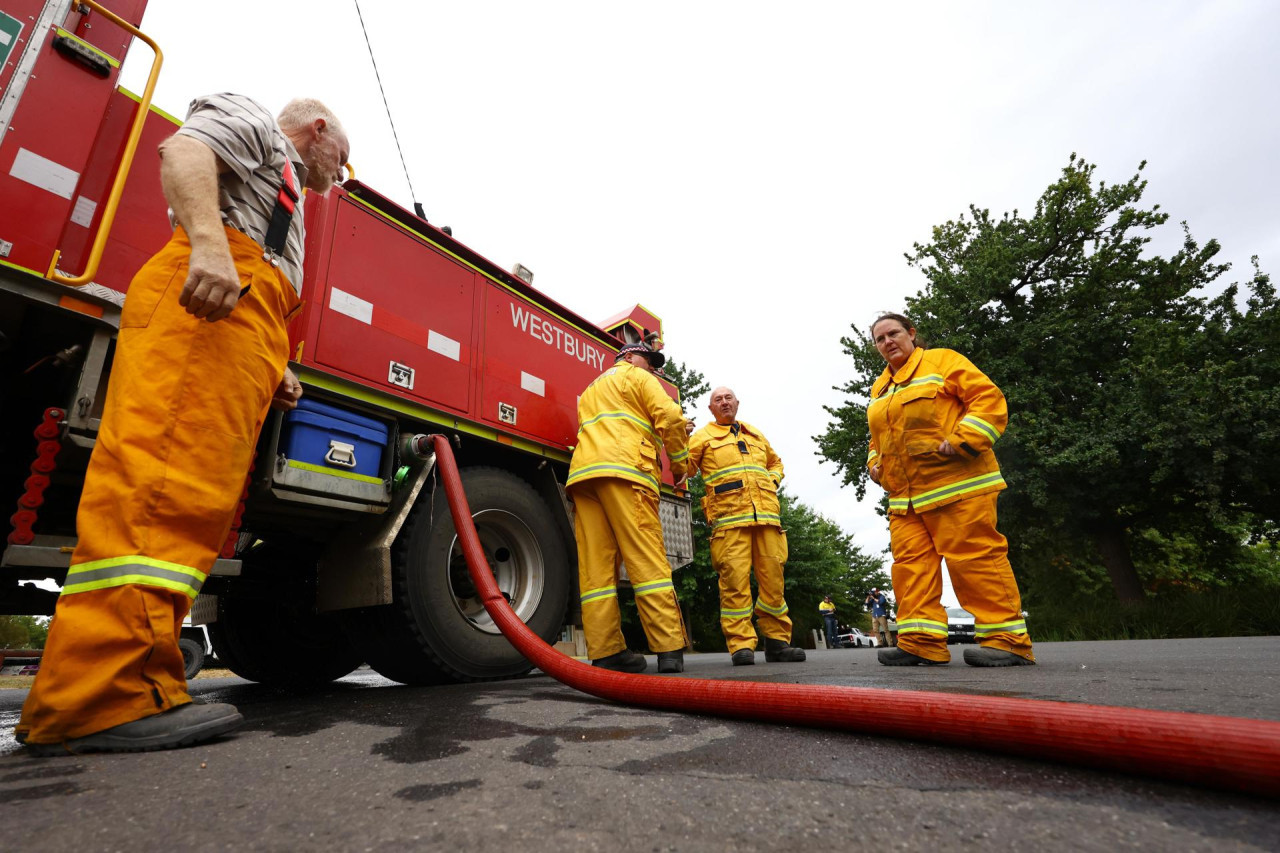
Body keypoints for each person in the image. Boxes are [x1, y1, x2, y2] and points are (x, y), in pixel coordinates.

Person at [16, 94, 350, 754]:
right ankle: (99, 696)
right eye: (343, 153)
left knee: (191, 503)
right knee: (159, 489)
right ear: (318, 130)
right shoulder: (253, 121)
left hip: (241, 327)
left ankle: (138, 680)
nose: (343, 170)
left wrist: (274, 357)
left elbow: (261, 267)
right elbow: (185, 149)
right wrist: (206, 246)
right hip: (206, 310)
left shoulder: (286, 186)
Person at [865, 312, 1035, 667]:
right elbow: (878, 438)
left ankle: (1007, 640)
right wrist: (874, 466)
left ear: (912, 334)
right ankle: (920, 642)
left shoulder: (943, 361)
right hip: (905, 499)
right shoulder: (880, 388)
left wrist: (964, 440)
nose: (888, 342)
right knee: (911, 567)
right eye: (880, 339)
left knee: (974, 560)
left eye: (893, 333)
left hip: (957, 485)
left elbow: (988, 399)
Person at [566, 340, 691, 674]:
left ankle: (606, 652)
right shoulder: (638, 377)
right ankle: (668, 648)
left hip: (585, 475)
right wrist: (680, 466)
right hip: (626, 470)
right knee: (645, 557)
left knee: (596, 572)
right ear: (631, 357)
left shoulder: (592, 387)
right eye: (649, 361)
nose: (653, 368)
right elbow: (671, 416)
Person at [688, 387, 805, 666]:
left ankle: (777, 643)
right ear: (710, 409)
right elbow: (685, 469)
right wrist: (681, 438)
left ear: (737, 403)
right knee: (734, 583)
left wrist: (772, 481)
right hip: (730, 523)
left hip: (766, 519)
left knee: (773, 582)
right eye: (718, 399)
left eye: (728, 398)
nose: (724, 402)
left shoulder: (755, 433)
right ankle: (741, 645)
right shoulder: (702, 436)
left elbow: (776, 462)